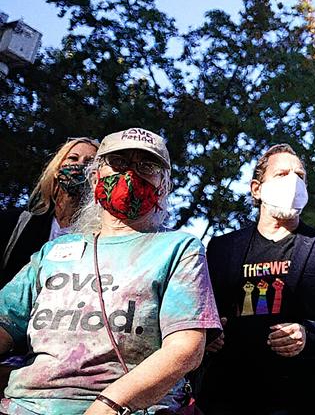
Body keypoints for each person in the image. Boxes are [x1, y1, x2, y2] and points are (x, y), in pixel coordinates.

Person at [0, 127, 221, 415]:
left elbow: (186, 348)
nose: (131, 173)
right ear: (95, 178)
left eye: (147, 166)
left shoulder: (179, 248)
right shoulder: (53, 252)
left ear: (164, 186)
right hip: (24, 405)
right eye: (118, 162)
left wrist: (109, 404)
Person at [197, 143, 315, 415]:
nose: (293, 182)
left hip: (299, 399)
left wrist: (309, 334)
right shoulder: (221, 248)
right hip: (225, 396)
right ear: (256, 188)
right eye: (282, 174)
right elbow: (198, 312)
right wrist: (207, 334)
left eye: (300, 176)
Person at [0, 137, 99, 288]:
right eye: (73, 158)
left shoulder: (98, 236)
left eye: (89, 162)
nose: (79, 164)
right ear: (56, 169)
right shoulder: (14, 223)